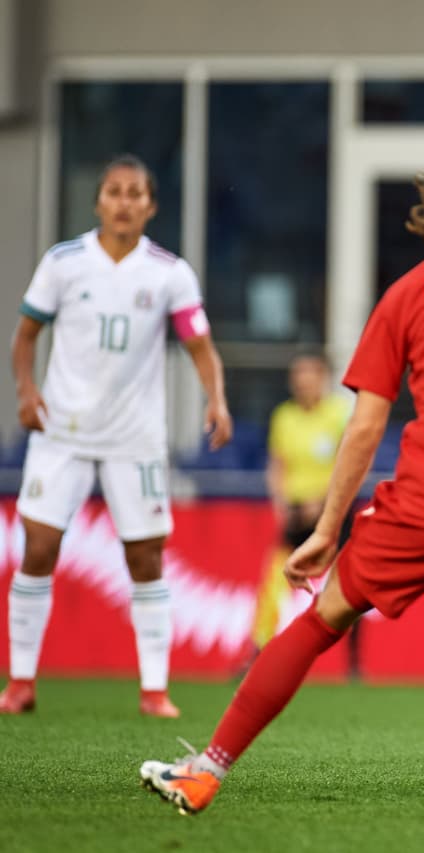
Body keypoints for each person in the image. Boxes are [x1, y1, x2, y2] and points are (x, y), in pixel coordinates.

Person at [138, 144, 424, 821]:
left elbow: (363, 429)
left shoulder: (410, 292)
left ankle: (206, 771)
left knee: (321, 618)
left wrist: (327, 529)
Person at [0, 154, 233, 718]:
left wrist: (216, 399)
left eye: (135, 194)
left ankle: (154, 689)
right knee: (38, 548)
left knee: (146, 557)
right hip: (64, 432)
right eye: (114, 192)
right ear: (98, 201)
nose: (124, 202)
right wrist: (26, 391)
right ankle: (22, 682)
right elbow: (26, 334)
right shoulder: (64, 263)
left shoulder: (169, 272)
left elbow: (198, 344)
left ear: (151, 205)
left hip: (135, 438)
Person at [250, 351, 361, 678]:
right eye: (299, 377)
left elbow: (351, 463)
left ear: (323, 378)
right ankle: (257, 650)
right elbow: (277, 464)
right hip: (297, 515)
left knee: (350, 584)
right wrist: (281, 502)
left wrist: (326, 501)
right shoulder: (284, 416)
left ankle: (353, 662)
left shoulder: (340, 414)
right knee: (275, 578)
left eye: (310, 375)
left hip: (333, 512)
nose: (304, 383)